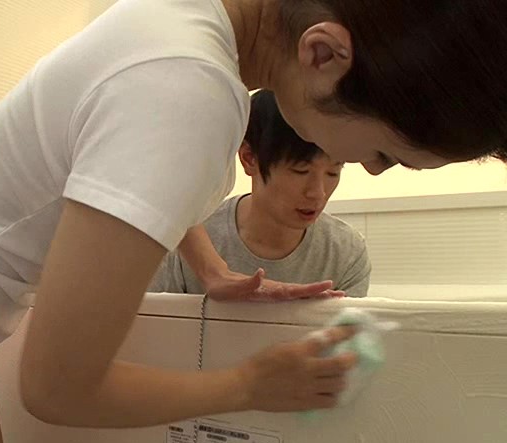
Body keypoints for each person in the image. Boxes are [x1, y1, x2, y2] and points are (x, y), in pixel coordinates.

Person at [0, 0, 507, 443]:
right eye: (384, 154)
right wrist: (249, 384)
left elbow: (121, 177)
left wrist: (210, 271)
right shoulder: (188, 95)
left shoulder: (190, 27)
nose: (368, 173)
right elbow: (56, 388)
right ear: (324, 55)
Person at [150, 89, 371, 298]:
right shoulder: (186, 238)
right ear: (249, 158)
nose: (318, 193)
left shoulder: (347, 253)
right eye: (300, 170)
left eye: (333, 172)